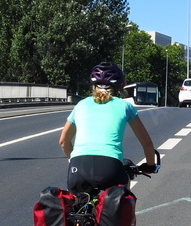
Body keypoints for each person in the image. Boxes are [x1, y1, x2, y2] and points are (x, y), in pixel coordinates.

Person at [59, 61, 157, 193]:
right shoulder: (125, 106)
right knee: (121, 201)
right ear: (120, 86)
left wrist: (73, 160)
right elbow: (147, 143)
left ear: (93, 86)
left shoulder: (81, 105)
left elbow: (63, 142)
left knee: (76, 205)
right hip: (110, 167)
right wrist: (150, 165)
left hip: (77, 167)